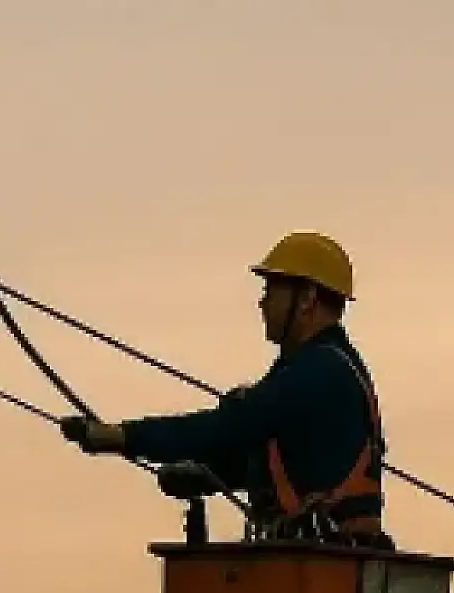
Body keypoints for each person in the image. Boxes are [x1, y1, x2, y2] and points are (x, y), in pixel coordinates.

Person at [58, 231, 392, 547]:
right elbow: (269, 460)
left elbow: (226, 430)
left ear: (307, 299)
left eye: (272, 291)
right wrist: (206, 475)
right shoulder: (315, 368)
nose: (262, 304)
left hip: (323, 566)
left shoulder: (320, 372)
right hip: (322, 559)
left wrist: (123, 437)